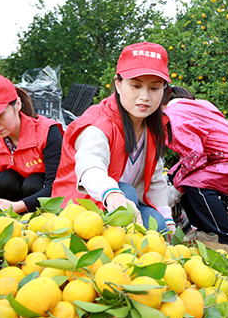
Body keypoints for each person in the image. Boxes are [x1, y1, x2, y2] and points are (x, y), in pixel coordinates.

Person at [52, 41, 174, 232]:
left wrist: (168, 220)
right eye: (135, 86)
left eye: (154, 88)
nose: (145, 97)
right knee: (126, 191)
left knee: (158, 226)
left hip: (123, 204)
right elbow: (90, 166)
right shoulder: (98, 123)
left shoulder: (152, 126)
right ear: (118, 84)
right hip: (82, 207)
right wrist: (112, 194)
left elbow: (156, 178)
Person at [162, 86, 228, 246]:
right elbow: (195, 157)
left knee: (193, 182)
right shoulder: (191, 108)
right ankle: (207, 234)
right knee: (186, 180)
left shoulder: (174, 115)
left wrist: (173, 189)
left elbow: (195, 157)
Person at [0, 75, 63, 213]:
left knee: (34, 182)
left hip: (45, 208)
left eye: (0, 115)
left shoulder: (47, 132)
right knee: (4, 181)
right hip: (10, 210)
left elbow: (56, 186)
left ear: (17, 104)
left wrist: (17, 207)